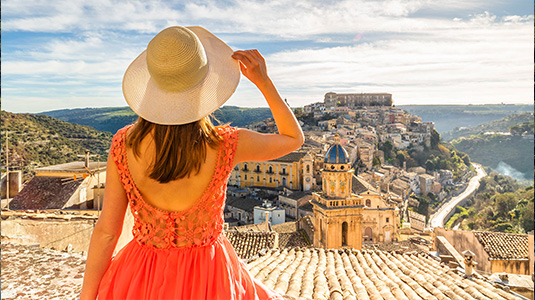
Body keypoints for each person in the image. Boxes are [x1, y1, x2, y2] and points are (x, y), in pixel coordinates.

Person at [80, 26, 304, 300]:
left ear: (152, 85)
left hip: (140, 274)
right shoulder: (226, 143)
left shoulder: (123, 145)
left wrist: (87, 296)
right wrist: (263, 81)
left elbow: (106, 232)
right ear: (205, 85)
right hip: (209, 276)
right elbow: (293, 138)